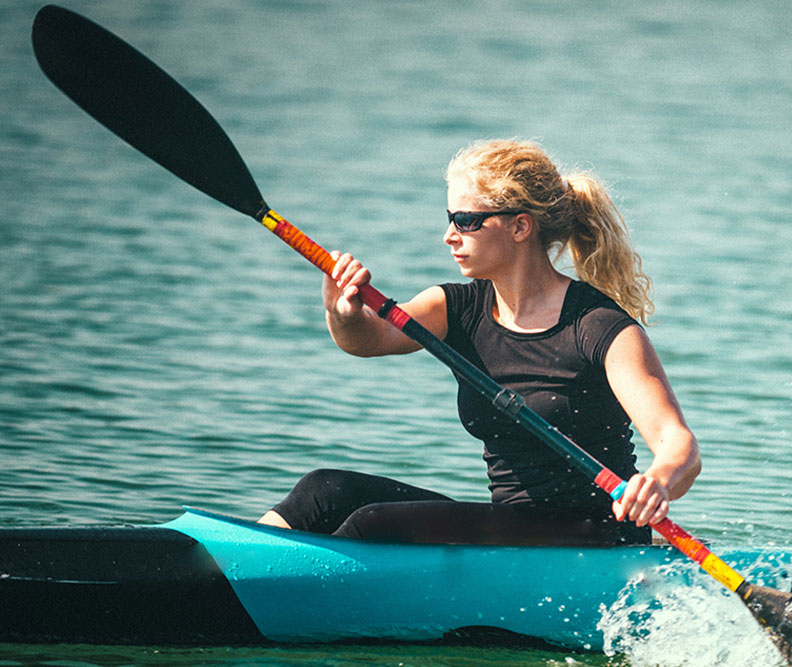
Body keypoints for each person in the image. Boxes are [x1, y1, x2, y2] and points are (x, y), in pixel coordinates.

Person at [258, 139, 700, 546]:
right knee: (325, 491)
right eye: (450, 219)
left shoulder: (600, 327)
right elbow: (368, 339)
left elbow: (678, 444)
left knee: (375, 524)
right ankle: (229, 562)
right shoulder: (457, 307)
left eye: (466, 221)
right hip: (508, 529)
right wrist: (342, 310)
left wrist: (657, 482)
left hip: (596, 537)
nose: (450, 235)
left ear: (520, 227)